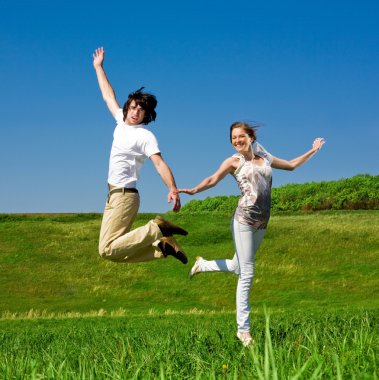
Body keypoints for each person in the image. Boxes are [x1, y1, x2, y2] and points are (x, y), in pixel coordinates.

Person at [178, 121, 325, 346]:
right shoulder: (233, 162)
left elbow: (292, 165)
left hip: (262, 221)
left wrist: (313, 150)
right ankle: (243, 331)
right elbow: (212, 179)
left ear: (251, 137)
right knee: (247, 272)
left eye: (240, 136)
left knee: (238, 266)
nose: (237, 141)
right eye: (233, 138)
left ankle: (203, 265)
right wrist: (195, 190)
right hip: (244, 219)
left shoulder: (264, 157)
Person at [92, 47, 188, 265]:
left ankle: (157, 227)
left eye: (140, 110)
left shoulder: (144, 136)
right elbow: (108, 95)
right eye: (133, 107)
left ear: (146, 115)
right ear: (127, 108)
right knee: (111, 251)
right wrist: (99, 67)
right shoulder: (120, 122)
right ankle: (163, 247)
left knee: (106, 249)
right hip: (113, 196)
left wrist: (172, 188)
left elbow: (159, 163)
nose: (135, 112)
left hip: (125, 196)